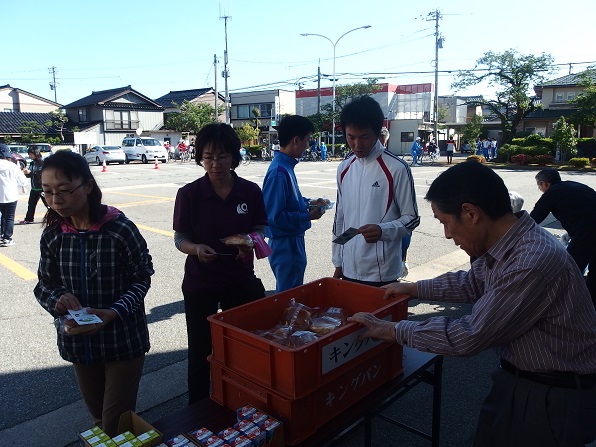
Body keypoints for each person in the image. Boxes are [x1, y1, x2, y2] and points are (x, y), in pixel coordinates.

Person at [349, 161, 596, 446]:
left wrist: (392, 330)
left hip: (552, 394)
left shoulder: (531, 261)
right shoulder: (512, 243)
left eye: (445, 222)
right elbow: (472, 282)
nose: (446, 234)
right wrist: (413, 288)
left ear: (470, 213)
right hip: (522, 379)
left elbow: (469, 334)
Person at [34, 151, 153, 436]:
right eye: (47, 192)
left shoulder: (119, 229)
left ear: (87, 186)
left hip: (123, 340)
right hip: (79, 343)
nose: (55, 200)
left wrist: (113, 312)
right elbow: (44, 284)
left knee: (114, 422)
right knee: (99, 417)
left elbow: (141, 279)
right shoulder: (53, 234)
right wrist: (57, 299)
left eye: (64, 190)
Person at [173, 123, 269, 403]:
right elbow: (180, 239)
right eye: (208, 157)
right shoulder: (189, 194)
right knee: (200, 349)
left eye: (223, 156)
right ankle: (198, 408)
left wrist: (249, 241)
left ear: (234, 157)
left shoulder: (250, 191)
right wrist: (196, 249)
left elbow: (260, 228)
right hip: (200, 282)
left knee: (243, 345)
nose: (215, 164)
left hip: (240, 279)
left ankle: (242, 399)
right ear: (200, 158)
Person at [332, 96, 419, 286]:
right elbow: (341, 218)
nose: (357, 145)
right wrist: (338, 261)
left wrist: (383, 230)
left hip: (382, 271)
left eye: (364, 137)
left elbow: (412, 218)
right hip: (348, 268)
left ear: (377, 132)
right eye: (351, 137)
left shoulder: (396, 168)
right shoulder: (344, 168)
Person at [262, 115, 326, 292]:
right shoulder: (279, 172)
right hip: (285, 243)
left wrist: (309, 202)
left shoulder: (285, 166)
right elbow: (274, 216)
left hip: (290, 240)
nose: (308, 145)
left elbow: (289, 200)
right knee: (289, 296)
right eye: (308, 140)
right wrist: (307, 216)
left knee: (293, 292)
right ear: (296, 140)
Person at [530, 168, 596, 307]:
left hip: (587, 232)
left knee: (571, 267)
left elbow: (533, 219)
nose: (540, 190)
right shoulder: (574, 185)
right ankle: (591, 302)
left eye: (539, 186)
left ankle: (567, 302)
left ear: (544, 183)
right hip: (588, 228)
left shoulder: (552, 193)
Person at [379, 127, 412, 279]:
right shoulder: (349, 165)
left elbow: (410, 218)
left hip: (391, 231)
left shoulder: (397, 167)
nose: (381, 147)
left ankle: (402, 261)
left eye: (383, 143)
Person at [0, 144, 27, 246]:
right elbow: (22, 180)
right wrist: (22, 186)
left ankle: (1, 234)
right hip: (10, 195)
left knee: (2, 216)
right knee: (9, 217)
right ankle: (7, 238)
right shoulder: (12, 166)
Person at [20, 145, 48, 224]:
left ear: (36, 153)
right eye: (29, 154)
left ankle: (57, 218)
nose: (30, 156)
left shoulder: (42, 162)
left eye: (31, 154)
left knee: (48, 204)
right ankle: (29, 219)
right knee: (31, 204)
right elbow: (30, 175)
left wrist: (31, 173)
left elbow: (41, 174)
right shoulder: (32, 163)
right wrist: (26, 173)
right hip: (34, 188)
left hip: (42, 188)